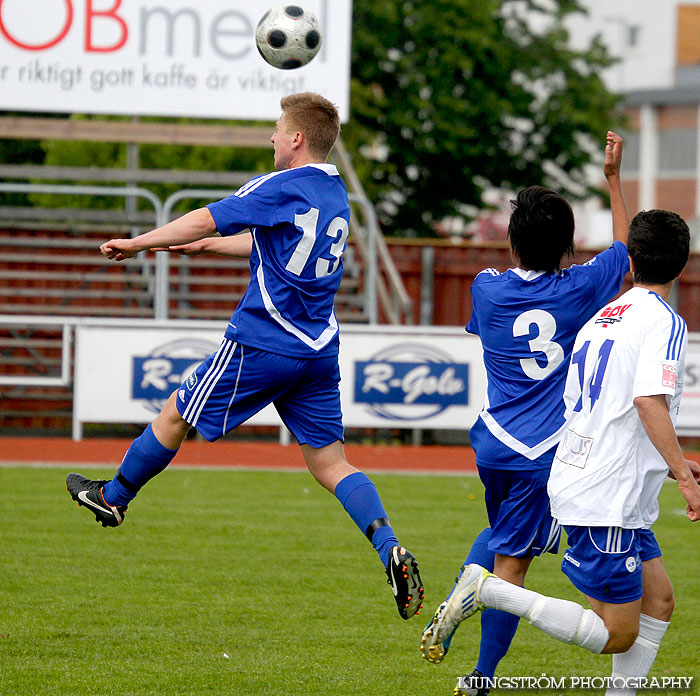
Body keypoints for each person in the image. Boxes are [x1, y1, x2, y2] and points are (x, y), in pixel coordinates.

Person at [65, 92, 424, 621]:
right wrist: (205, 248)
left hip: (264, 341)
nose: (272, 137)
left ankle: (114, 497)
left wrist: (139, 243)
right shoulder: (335, 194)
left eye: (278, 129)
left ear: (297, 138)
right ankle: (388, 545)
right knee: (331, 463)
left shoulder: (279, 186)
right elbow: (269, 243)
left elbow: (205, 218)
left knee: (175, 412)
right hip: (318, 349)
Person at [420, 208, 700, 696]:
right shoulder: (608, 304)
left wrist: (669, 464)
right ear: (682, 265)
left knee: (659, 600)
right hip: (586, 478)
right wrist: (683, 473)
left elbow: (595, 404)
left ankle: (613, 691)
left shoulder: (583, 314)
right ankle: (486, 615)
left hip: (512, 445)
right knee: (612, 628)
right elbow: (646, 401)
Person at [420, 133, 632, 693]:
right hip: (545, 450)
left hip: (493, 441)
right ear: (568, 247)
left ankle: (460, 599)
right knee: (511, 567)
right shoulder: (582, 287)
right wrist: (612, 178)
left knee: (501, 535)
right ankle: (481, 677)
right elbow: (629, 254)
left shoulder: (486, 288)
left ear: (512, 244)